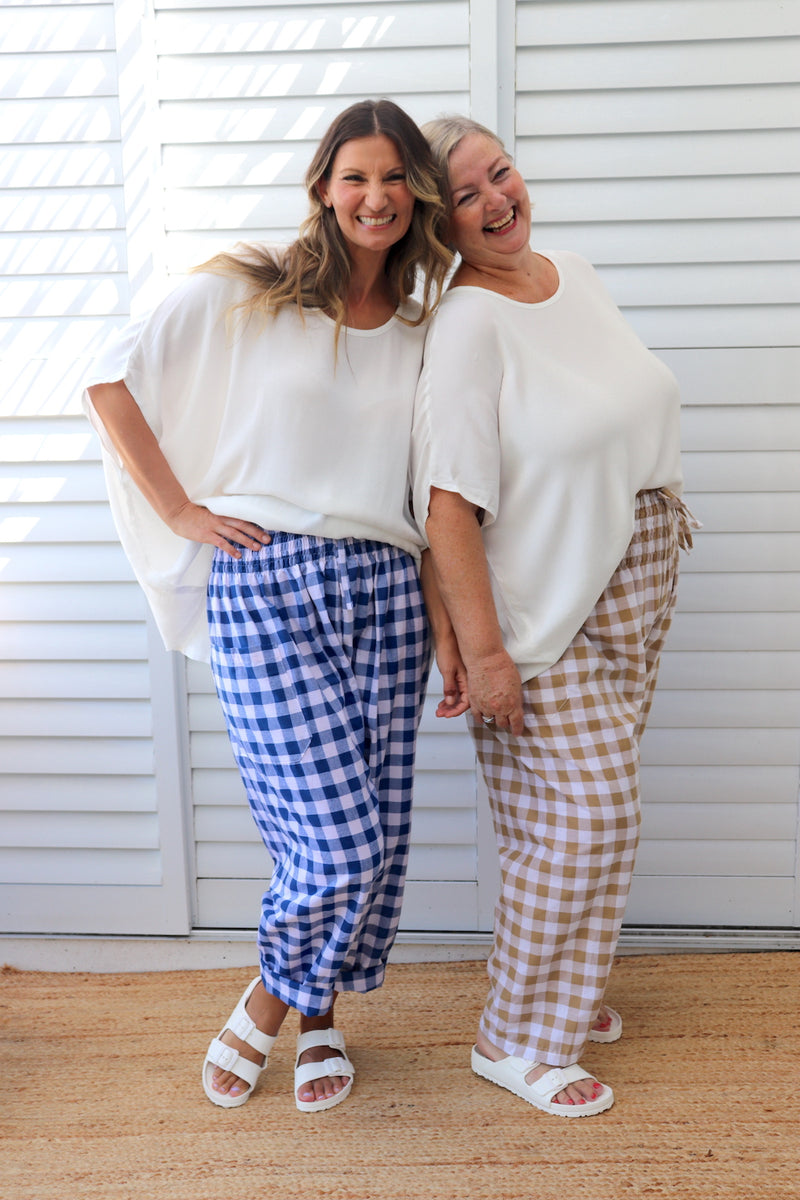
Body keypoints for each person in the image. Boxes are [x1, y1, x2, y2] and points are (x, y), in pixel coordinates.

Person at [84, 99, 467, 1114]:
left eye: (394, 178)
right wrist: (178, 509)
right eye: (355, 177)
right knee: (333, 837)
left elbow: (431, 493)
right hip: (267, 580)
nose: (375, 196)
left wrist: (451, 629)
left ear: (415, 195)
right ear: (323, 187)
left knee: (365, 834)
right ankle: (266, 1005)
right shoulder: (248, 288)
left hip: (386, 590)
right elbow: (109, 378)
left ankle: (321, 1018)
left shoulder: (428, 333)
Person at [412, 115, 698, 1118]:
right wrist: (482, 652)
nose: (497, 202)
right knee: (585, 822)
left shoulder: (569, 270)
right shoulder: (464, 327)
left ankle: (558, 995)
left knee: (567, 822)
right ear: (437, 222)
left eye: (501, 174)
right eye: (465, 195)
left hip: (631, 581)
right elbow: (446, 502)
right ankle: (514, 1041)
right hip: (547, 613)